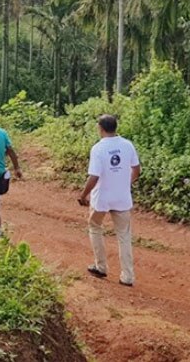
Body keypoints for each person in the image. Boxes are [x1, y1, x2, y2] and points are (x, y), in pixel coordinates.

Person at [78, 114, 141, 287]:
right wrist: (126, 182)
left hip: (102, 198)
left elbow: (94, 177)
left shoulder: (98, 148)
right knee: (124, 235)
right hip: (122, 197)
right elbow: (136, 169)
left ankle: (101, 266)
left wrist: (83, 195)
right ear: (115, 127)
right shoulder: (127, 145)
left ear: (100, 128)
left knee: (95, 226)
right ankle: (128, 276)